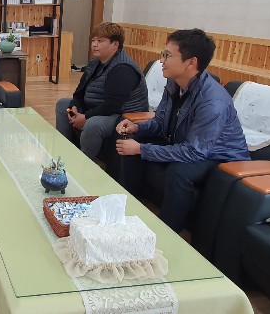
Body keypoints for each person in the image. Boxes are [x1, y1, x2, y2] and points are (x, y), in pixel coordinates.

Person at [113, 29, 248, 232]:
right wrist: (138, 127)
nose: (161, 61)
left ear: (191, 62)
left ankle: (167, 232)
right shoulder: (174, 82)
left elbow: (195, 151)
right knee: (132, 137)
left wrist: (141, 149)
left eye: (167, 55)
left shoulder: (213, 101)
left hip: (218, 156)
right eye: (163, 54)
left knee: (178, 171)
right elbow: (161, 122)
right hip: (189, 144)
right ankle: (129, 205)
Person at [56, 23, 148, 162]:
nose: (94, 45)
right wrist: (74, 106)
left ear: (115, 45)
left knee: (93, 124)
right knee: (63, 105)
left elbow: (112, 105)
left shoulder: (123, 68)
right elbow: (80, 91)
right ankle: (64, 151)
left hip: (121, 114)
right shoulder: (95, 63)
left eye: (100, 41)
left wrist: (85, 117)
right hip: (99, 107)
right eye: (93, 40)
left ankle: (83, 163)